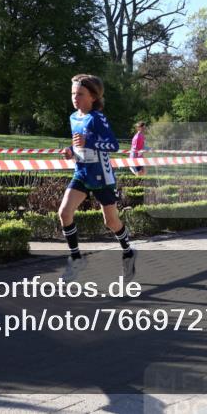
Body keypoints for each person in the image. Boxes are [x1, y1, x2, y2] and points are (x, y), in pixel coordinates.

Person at [60, 74, 135, 281]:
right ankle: (76, 260)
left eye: (80, 94)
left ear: (93, 97)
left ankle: (128, 250)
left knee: (111, 222)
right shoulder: (73, 117)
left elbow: (113, 145)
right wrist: (70, 151)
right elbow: (78, 145)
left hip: (101, 176)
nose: (76, 98)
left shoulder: (97, 118)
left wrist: (89, 141)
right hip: (81, 172)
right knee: (65, 213)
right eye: (73, 93)